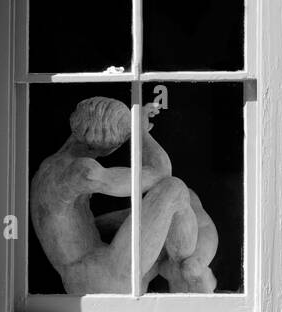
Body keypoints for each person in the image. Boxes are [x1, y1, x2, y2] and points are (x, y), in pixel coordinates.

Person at [30, 96, 217, 294]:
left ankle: (186, 270)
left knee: (183, 198)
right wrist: (140, 132)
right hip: (101, 277)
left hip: (94, 271)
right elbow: (161, 171)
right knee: (174, 189)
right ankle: (186, 274)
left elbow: (83, 226)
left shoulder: (50, 168)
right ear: (105, 143)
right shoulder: (80, 171)